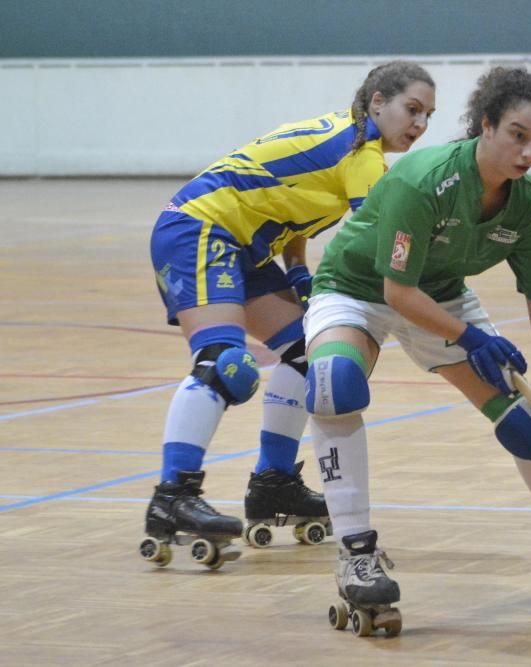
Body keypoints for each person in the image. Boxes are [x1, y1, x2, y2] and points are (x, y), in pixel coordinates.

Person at [304, 66, 531, 634]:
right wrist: (470, 338)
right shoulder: (423, 180)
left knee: (530, 424)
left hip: (442, 296)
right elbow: (395, 291)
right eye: (517, 134)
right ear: (485, 125)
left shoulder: (528, 206)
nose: (528, 151)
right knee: (336, 384)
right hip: (358, 289)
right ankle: (356, 553)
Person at [140, 61, 437, 569]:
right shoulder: (362, 160)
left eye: (429, 115)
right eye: (412, 110)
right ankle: (173, 494)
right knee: (224, 365)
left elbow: (288, 205)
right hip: (200, 229)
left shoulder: (343, 136)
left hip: (243, 246)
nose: (420, 125)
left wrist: (298, 270)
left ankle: (274, 482)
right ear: (377, 102)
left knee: (306, 355)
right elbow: (382, 247)